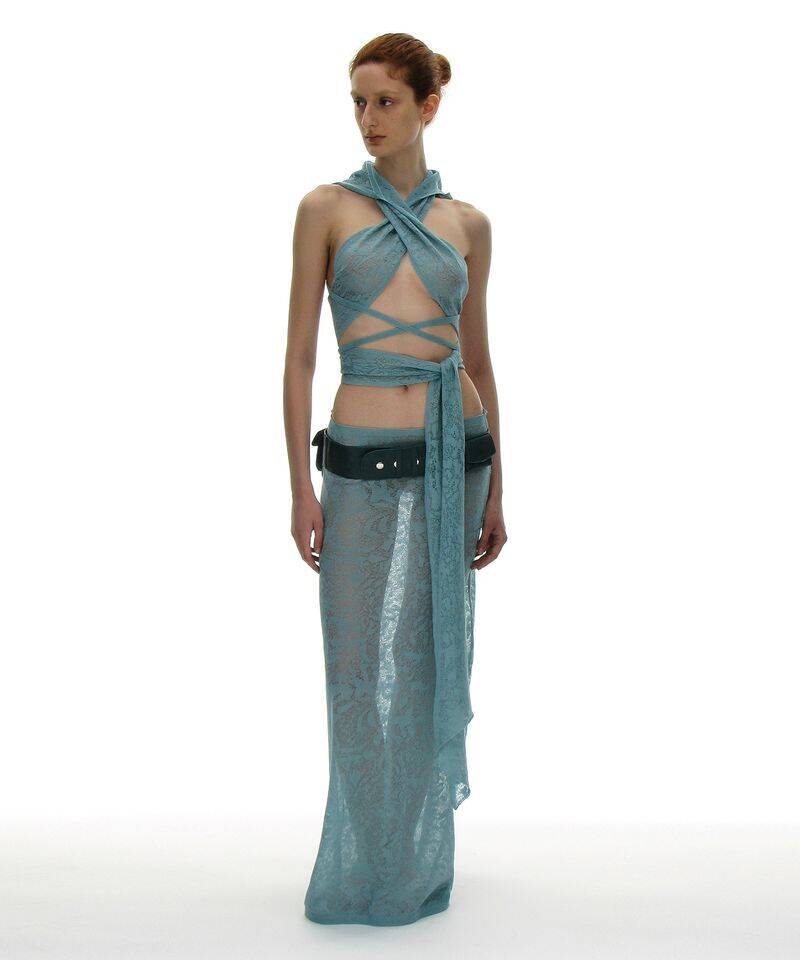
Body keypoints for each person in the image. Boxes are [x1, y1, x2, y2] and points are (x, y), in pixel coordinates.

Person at [283, 32, 507, 926]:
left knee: (424, 662)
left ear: (427, 106)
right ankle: (364, 855)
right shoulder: (326, 208)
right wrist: (300, 491)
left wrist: (502, 485)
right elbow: (299, 356)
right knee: (353, 667)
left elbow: (479, 358)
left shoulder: (468, 225)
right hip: (358, 456)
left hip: (458, 453)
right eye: (358, 102)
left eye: (384, 101)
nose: (368, 118)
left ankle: (413, 859)